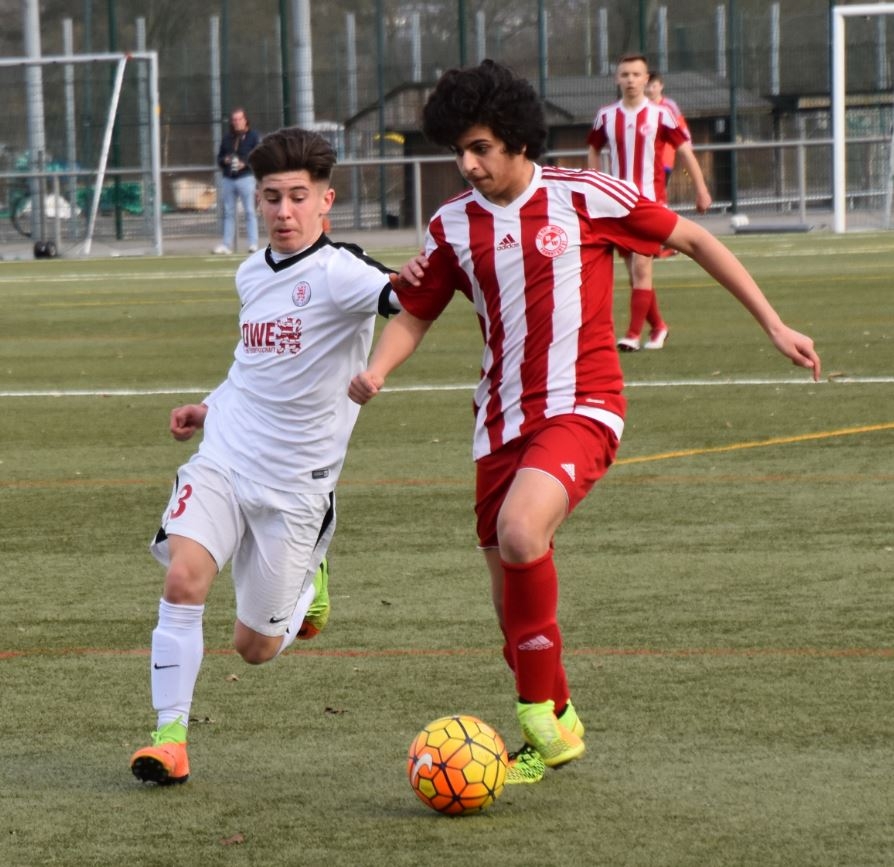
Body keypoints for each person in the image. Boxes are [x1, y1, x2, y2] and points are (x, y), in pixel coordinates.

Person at [348, 60, 820, 785]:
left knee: (521, 530)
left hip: (584, 405)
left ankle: (535, 708)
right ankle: (559, 726)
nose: (467, 164)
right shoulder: (450, 225)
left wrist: (775, 323)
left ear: (514, 139)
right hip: (498, 423)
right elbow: (416, 313)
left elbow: (694, 239)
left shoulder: (583, 196)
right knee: (512, 614)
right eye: (458, 152)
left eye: (479, 148)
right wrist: (379, 369)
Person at [130, 126, 401, 785]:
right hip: (226, 455)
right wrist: (207, 405)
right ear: (256, 201)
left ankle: (312, 574)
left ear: (325, 201)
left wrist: (383, 365)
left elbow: (410, 299)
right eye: (272, 197)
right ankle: (170, 738)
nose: (284, 211)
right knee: (184, 579)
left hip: (295, 483)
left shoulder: (344, 273)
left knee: (254, 648)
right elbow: (251, 367)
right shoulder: (251, 272)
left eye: (297, 197)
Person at [587, 55, 712, 351]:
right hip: (617, 205)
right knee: (634, 272)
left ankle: (631, 335)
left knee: (642, 268)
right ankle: (658, 326)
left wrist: (701, 189)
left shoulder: (661, 115)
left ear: (647, 80)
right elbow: (593, 148)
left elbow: (685, 151)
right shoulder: (606, 116)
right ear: (617, 79)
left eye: (636, 74)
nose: (630, 79)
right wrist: (592, 185)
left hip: (651, 203)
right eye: (625, 74)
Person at [213, 107, 261, 255]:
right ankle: (226, 245)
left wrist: (245, 163)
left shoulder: (253, 136)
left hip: (246, 178)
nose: (237, 122)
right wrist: (225, 160)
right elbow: (219, 158)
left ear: (245, 120)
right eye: (234, 120)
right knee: (228, 212)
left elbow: (258, 155)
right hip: (228, 179)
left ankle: (253, 244)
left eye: (239, 119)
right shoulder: (227, 138)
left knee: (249, 211)